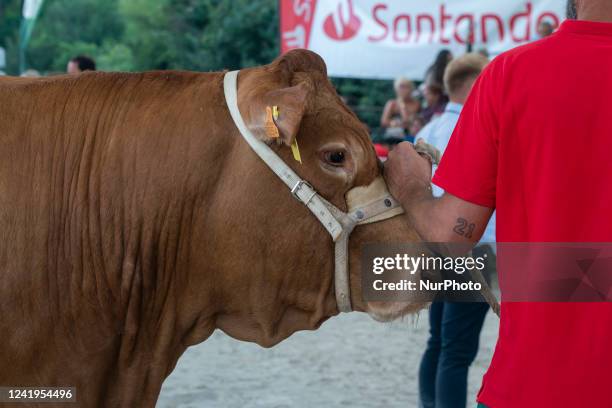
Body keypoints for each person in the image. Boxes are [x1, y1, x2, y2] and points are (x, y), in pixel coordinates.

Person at [384, 1, 612, 406]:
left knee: (446, 344)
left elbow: (450, 236)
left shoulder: (512, 74)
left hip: (535, 385)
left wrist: (410, 187)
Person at [416, 53, 494, 408]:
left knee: (439, 340)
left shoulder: (427, 130)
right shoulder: (483, 128)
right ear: (476, 83)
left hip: (433, 245)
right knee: (457, 351)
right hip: (474, 249)